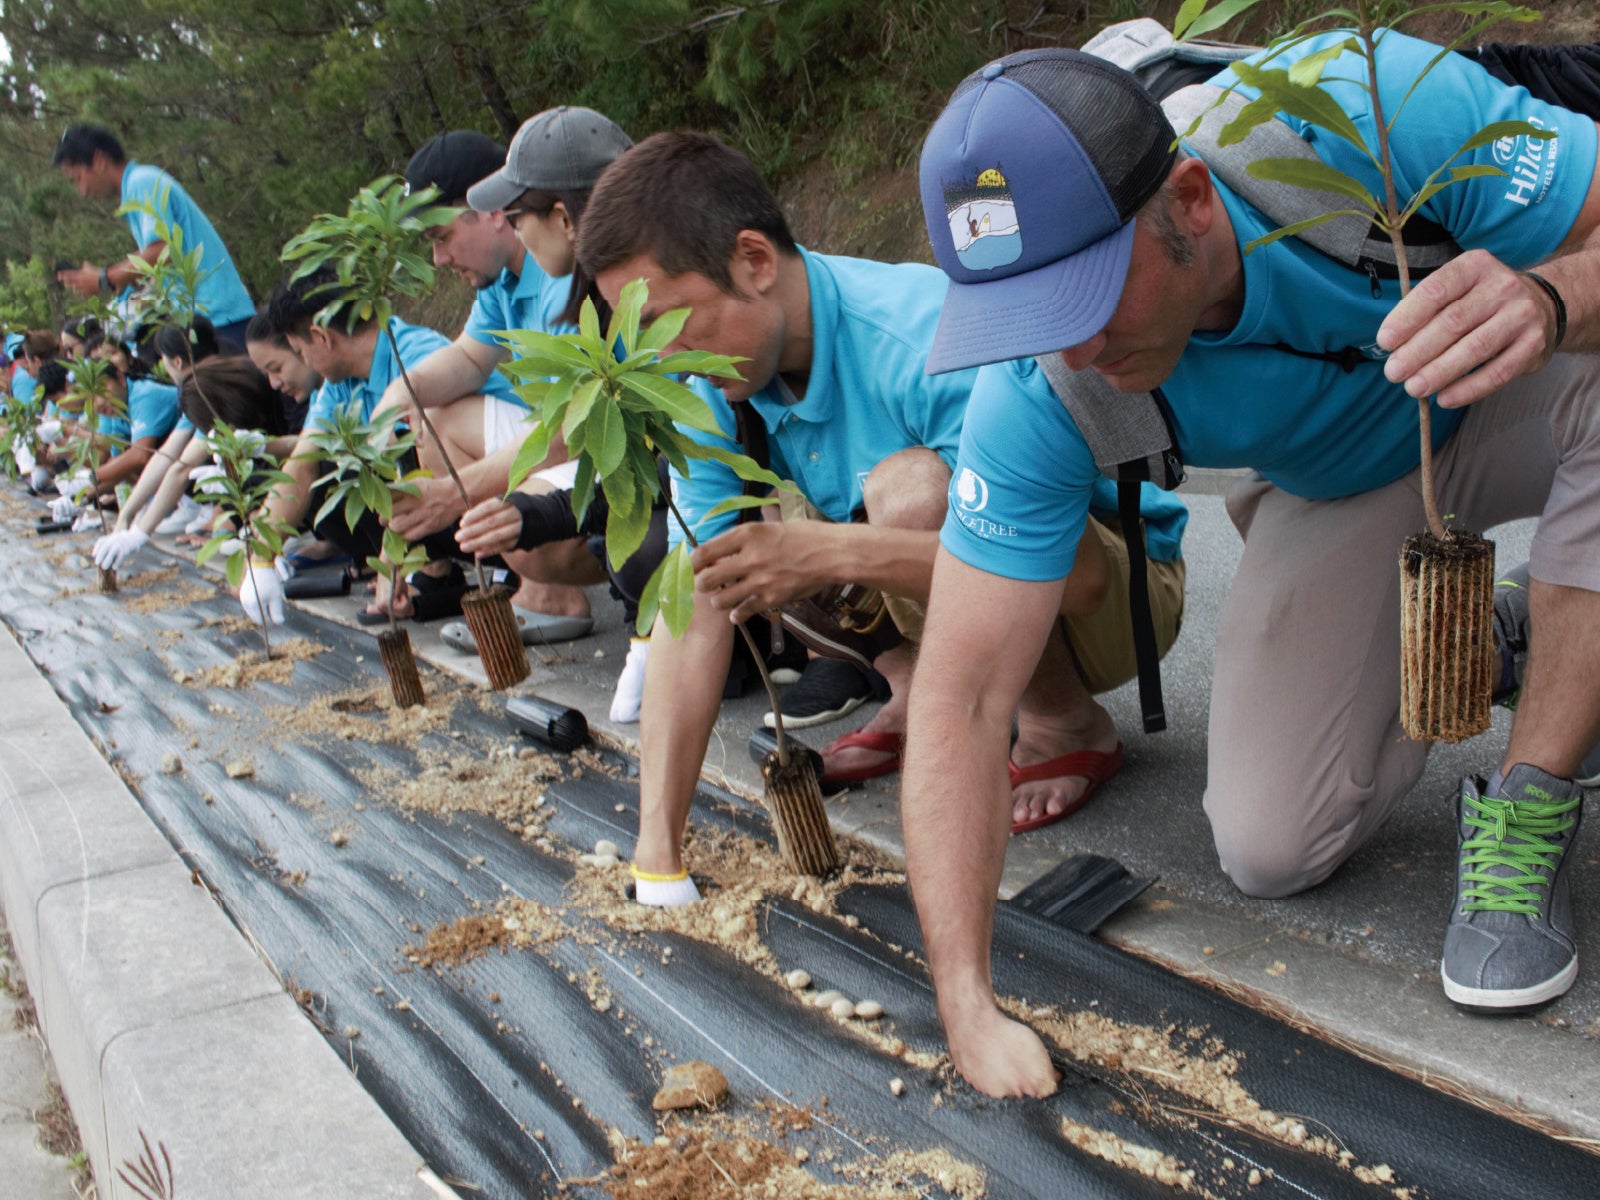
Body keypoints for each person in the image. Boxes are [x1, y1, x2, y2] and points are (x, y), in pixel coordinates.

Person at [904, 36, 1600, 1099]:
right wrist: (964, 998)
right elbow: (959, 699)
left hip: (1521, 382)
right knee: (1271, 843)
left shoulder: (1356, 110)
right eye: (1024, 316)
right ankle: (1514, 633)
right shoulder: (1041, 391)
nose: (1070, 353)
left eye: (1082, 295)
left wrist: (1550, 300)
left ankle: (1534, 786)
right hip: (1347, 481)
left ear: (1187, 200)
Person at [574, 131, 1186, 907]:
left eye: (668, 322)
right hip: (994, 588)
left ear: (754, 262)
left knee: (911, 492)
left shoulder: (918, 336)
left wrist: (828, 551)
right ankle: (911, 688)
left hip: (1119, 587)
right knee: (729, 543)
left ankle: (1063, 721)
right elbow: (694, 599)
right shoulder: (703, 383)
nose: (661, 356)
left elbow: (1081, 578)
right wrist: (656, 857)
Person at [379, 116, 633, 642]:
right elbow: (470, 359)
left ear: (495, 213)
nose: (438, 257)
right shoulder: (503, 279)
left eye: (442, 237)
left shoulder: (561, 266)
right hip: (562, 434)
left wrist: (454, 494)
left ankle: (555, 578)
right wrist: (397, 397)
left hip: (602, 443)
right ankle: (541, 594)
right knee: (438, 419)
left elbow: (575, 429)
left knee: (504, 507)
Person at [241, 269, 512, 627]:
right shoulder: (340, 385)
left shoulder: (415, 356)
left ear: (321, 337)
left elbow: (423, 467)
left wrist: (391, 562)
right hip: (452, 513)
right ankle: (432, 576)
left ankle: (513, 572)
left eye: (298, 351)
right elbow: (302, 462)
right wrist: (260, 556)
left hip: (511, 495)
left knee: (415, 444)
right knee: (338, 472)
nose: (303, 363)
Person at [52, 123, 255, 346]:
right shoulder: (135, 191)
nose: (82, 192)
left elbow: (163, 251)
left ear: (99, 161)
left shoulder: (142, 182)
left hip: (221, 319)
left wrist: (104, 277)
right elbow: (161, 264)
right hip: (204, 322)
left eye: (77, 178)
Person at [93, 357, 295, 573]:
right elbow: (180, 467)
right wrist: (135, 527)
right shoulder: (207, 406)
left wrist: (264, 447)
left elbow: (309, 446)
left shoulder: (279, 393)